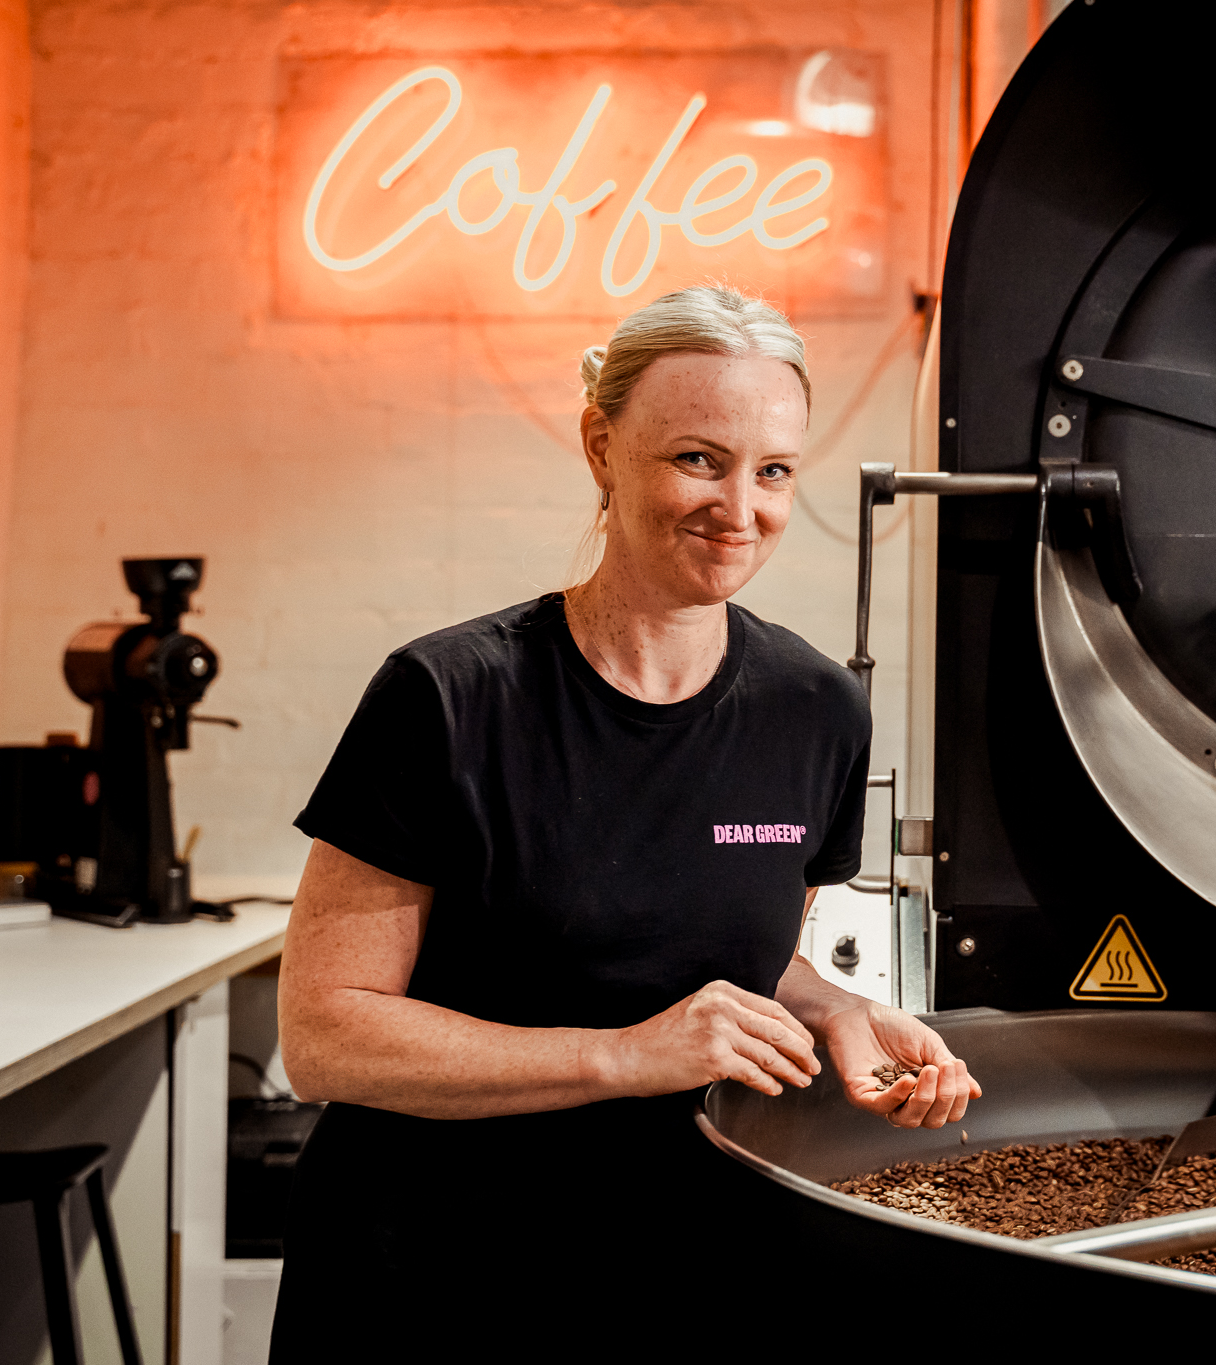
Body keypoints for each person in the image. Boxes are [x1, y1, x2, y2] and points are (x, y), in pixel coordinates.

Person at [268, 284, 980, 1352]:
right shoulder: (449, 699)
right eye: (698, 459)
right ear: (602, 445)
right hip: (431, 1272)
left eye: (772, 471)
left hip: (684, 1259)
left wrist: (832, 1011)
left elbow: (723, 951)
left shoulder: (815, 710)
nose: (739, 510)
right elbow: (325, 1035)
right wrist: (624, 1057)